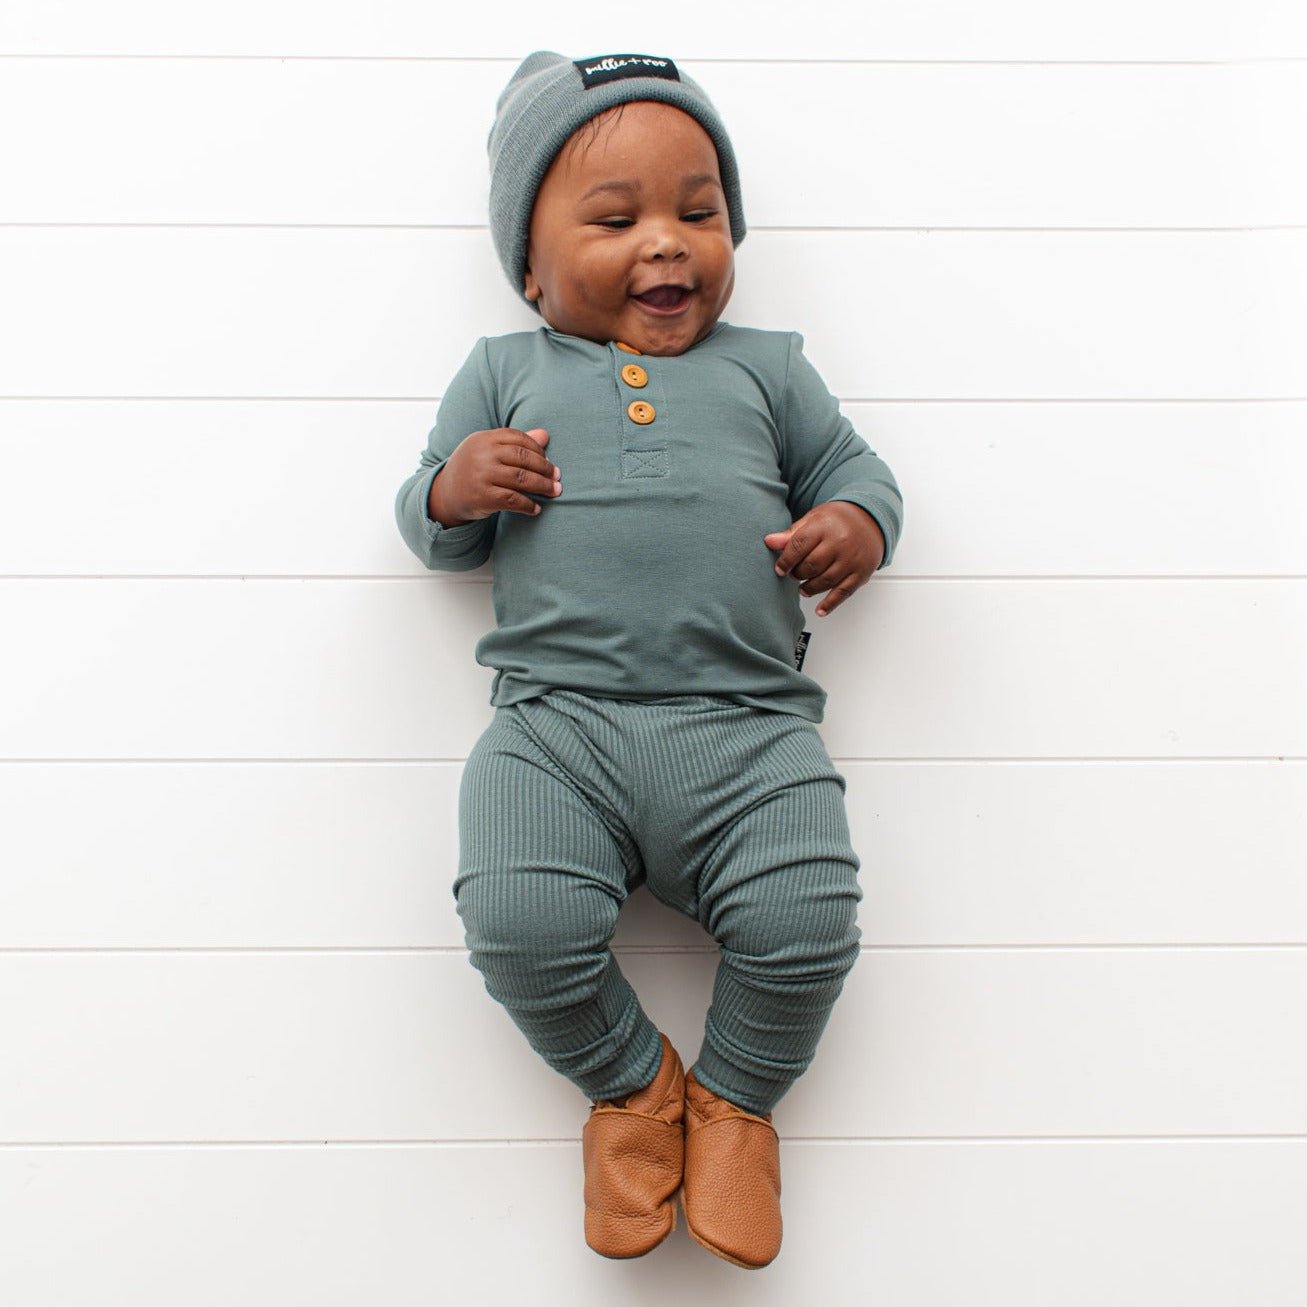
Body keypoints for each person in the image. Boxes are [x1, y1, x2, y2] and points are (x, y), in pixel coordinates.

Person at [394, 50, 904, 1269]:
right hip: (555, 726)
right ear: (529, 267)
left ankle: (733, 1100)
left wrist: (856, 522)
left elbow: (855, 471)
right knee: (515, 920)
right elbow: (427, 527)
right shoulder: (505, 369)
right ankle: (631, 1084)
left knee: (808, 919)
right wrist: (456, 486)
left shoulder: (768, 366)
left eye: (698, 211)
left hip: (749, 726)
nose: (667, 243)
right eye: (615, 219)